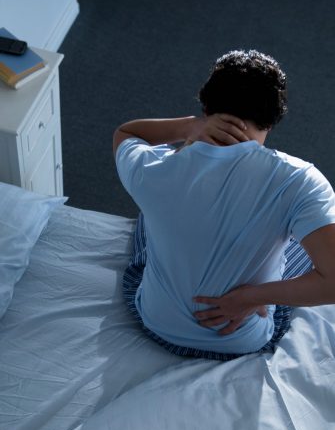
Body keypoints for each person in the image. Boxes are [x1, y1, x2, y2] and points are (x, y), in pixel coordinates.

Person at [113, 49, 335, 361]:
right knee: (304, 240)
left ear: (206, 108)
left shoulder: (153, 170)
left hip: (155, 323)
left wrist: (189, 128)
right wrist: (250, 298)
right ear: (272, 120)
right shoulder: (300, 181)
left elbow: (126, 132)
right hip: (241, 340)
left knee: (147, 217)